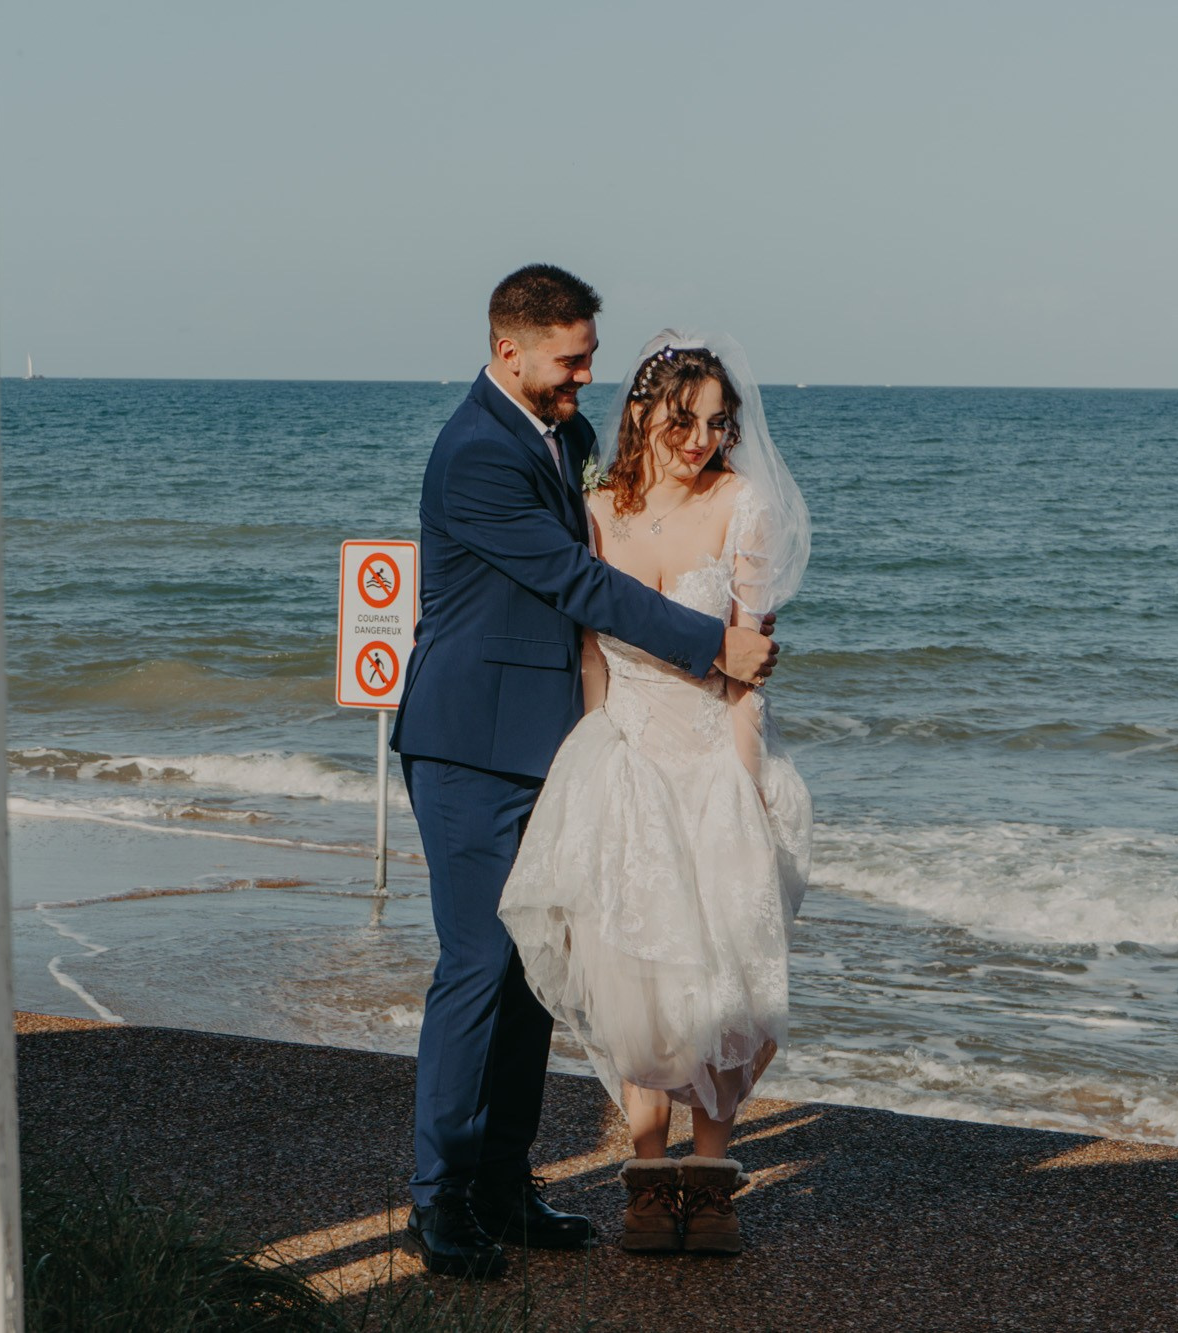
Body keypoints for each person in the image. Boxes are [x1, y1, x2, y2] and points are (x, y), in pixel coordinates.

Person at [391, 268, 780, 1278]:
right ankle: (436, 1203)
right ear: (509, 350)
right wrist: (713, 646)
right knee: (476, 968)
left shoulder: (557, 437)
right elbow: (573, 580)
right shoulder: (476, 451)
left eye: (589, 356)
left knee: (529, 973)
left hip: (552, 747)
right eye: (569, 358)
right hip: (469, 749)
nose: (584, 375)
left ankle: (503, 1185)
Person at [498, 330, 812, 1256]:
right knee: (637, 971)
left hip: (715, 757)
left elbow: (749, 661)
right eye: (684, 420)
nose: (701, 439)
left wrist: (743, 784)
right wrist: (597, 754)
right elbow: (594, 649)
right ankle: (647, 1173)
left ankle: (711, 1181)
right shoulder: (597, 511)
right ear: (644, 414)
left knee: (724, 974)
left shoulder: (742, 505)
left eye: (718, 423)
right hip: (627, 756)